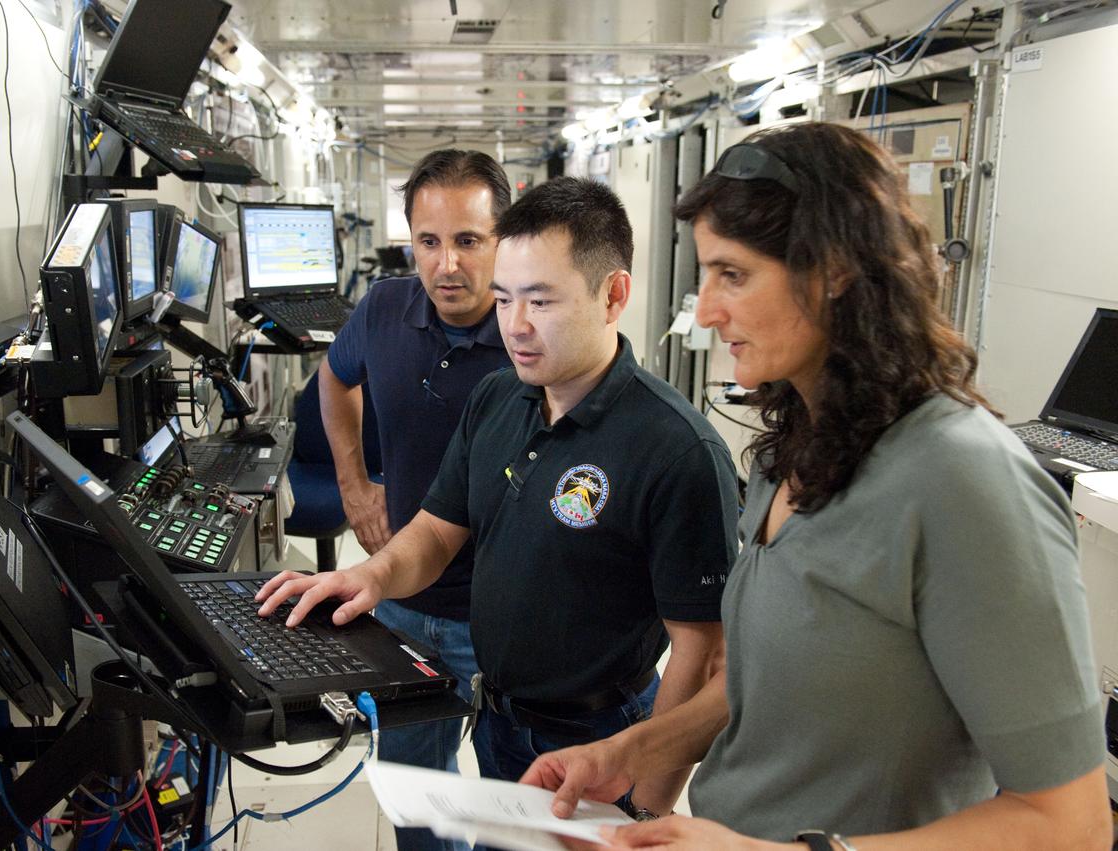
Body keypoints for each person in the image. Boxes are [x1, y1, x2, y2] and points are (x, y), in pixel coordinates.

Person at [521, 122, 1112, 850]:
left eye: (732, 274)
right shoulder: (789, 452)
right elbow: (758, 684)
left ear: (834, 269)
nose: (704, 310)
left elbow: (1069, 823)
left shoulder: (963, 479)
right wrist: (632, 750)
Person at [258, 177, 739, 821]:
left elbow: (700, 649)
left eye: (541, 302)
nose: (515, 327)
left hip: (602, 739)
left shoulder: (675, 451)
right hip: (499, 718)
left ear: (613, 294)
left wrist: (645, 806)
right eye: (506, 298)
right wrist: (368, 577)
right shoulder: (498, 399)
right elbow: (434, 532)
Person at [318, 149, 513, 851]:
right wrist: (353, 483)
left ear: (504, 239)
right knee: (419, 811)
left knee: (509, 816)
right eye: (428, 242)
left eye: (468, 240)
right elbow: (335, 378)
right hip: (402, 608)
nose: (447, 264)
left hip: (502, 624)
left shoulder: (534, 335)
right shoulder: (384, 309)